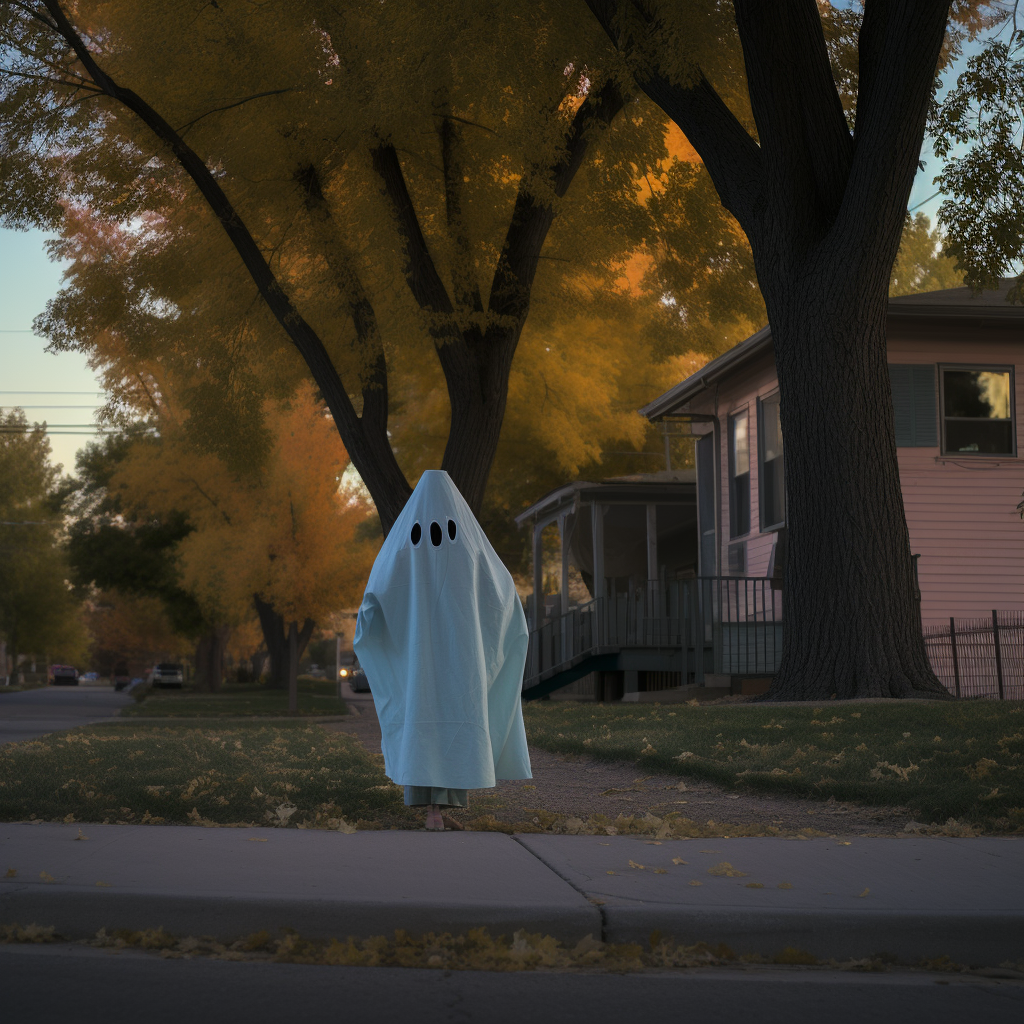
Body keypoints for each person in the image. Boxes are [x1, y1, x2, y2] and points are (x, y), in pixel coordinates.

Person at [353, 471, 531, 830]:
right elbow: (503, 598)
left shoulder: (402, 549)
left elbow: (372, 604)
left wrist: (381, 644)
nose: (435, 537)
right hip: (461, 662)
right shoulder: (470, 548)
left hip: (414, 662)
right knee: (456, 722)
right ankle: (442, 808)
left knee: (421, 722)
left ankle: (429, 809)